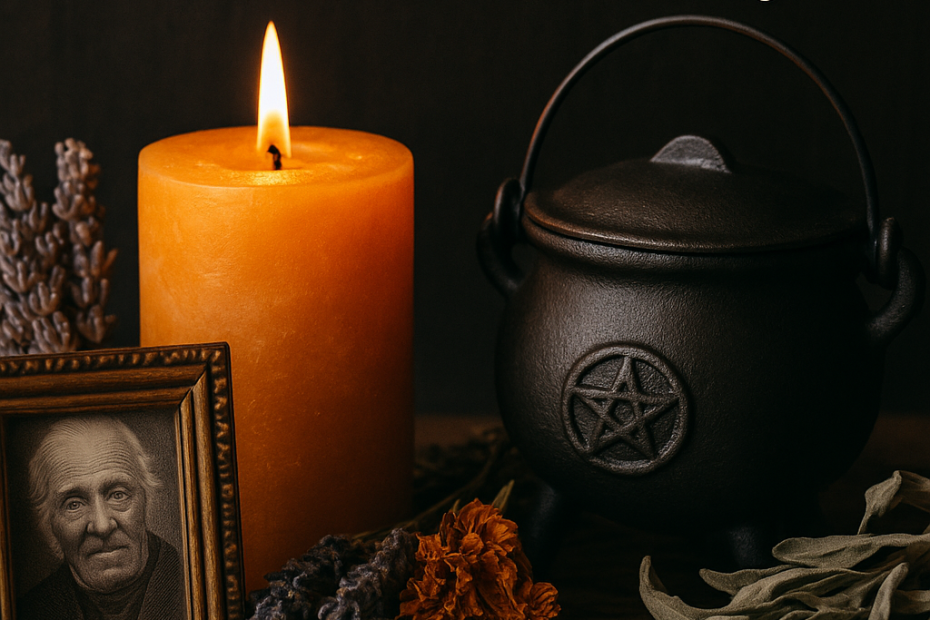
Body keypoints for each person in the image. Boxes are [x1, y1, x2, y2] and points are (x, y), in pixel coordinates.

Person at [17, 416, 184, 620]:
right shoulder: (27, 610)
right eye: (74, 504)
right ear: (49, 524)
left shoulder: (196, 584)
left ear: (145, 500)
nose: (102, 526)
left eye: (118, 495)